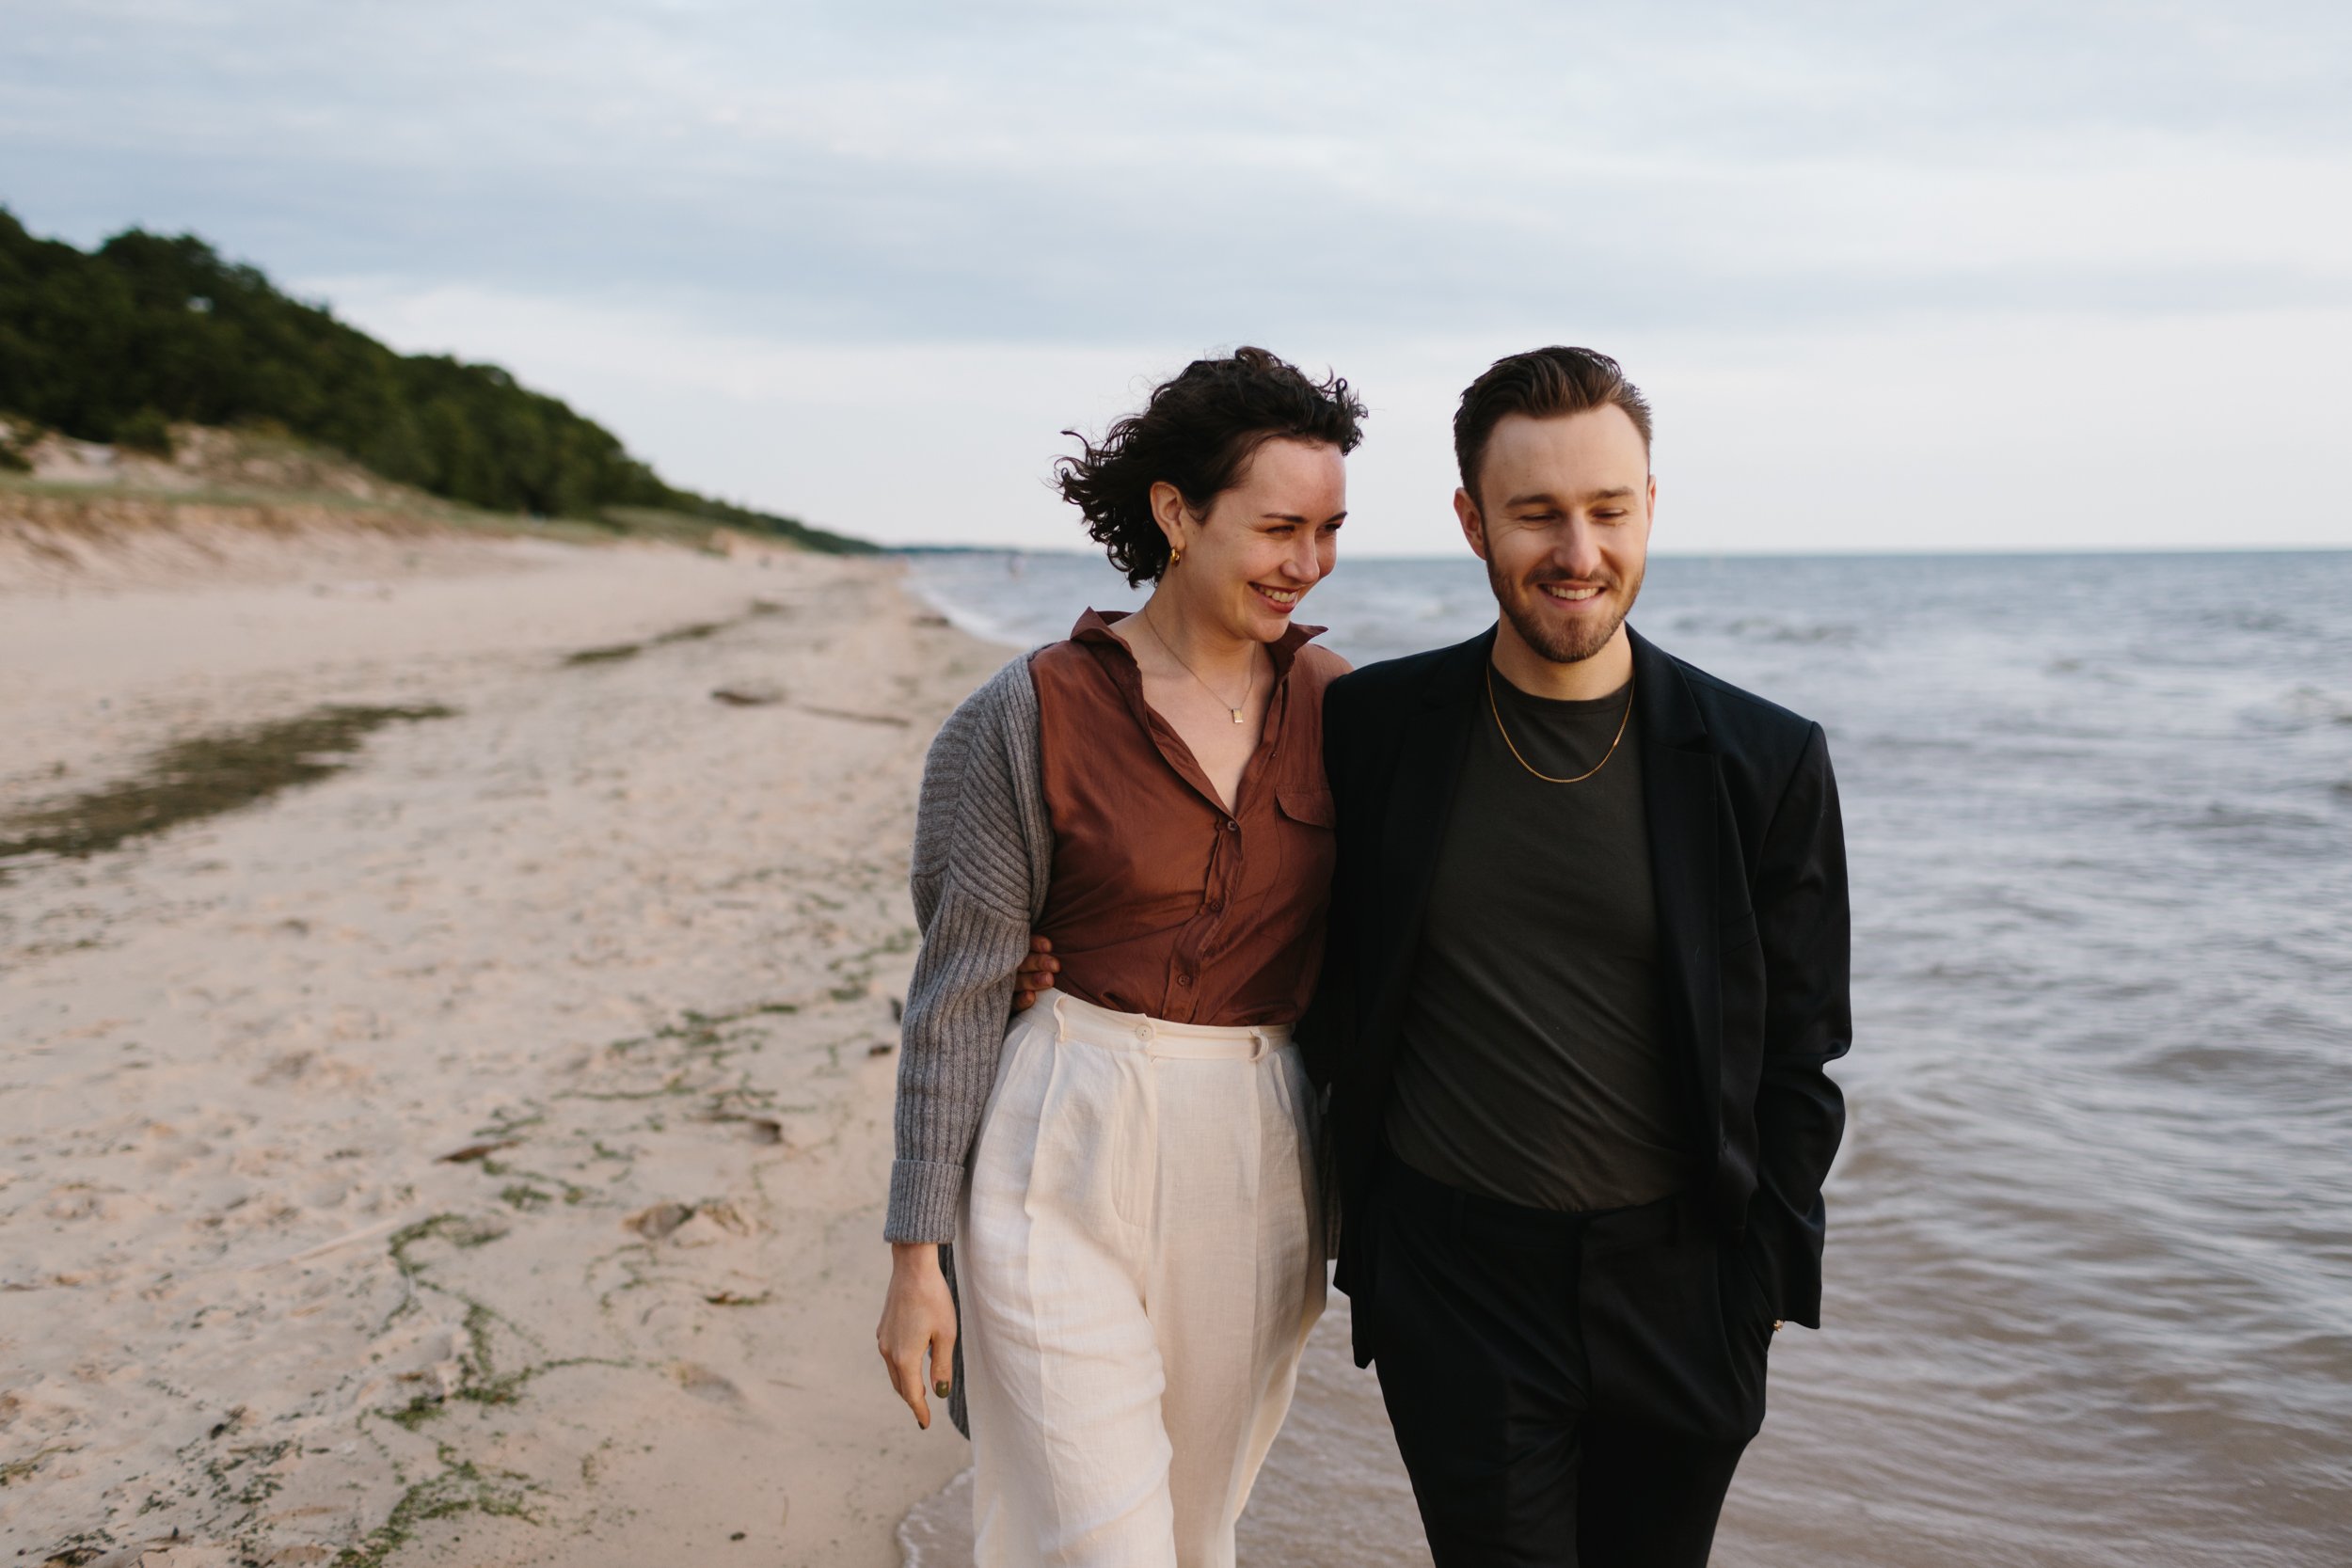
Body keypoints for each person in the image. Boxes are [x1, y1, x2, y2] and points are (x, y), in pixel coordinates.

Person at [1308, 346, 1851, 1567]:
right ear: (1471, 520)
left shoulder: (1764, 762)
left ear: (1649, 504)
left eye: (1608, 509)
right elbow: (1249, 900)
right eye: (1538, 513)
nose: (1578, 551)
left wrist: (1751, 1294)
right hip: (1457, 1289)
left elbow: (1803, 1060)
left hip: (1682, 1295)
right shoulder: (1376, 728)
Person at [876, 346, 1364, 1568]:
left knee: (1196, 1538)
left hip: (1258, 1153)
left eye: (1332, 530)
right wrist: (913, 1257)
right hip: (1060, 1137)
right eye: (1279, 527)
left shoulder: (1347, 713)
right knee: (1104, 1545)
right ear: (1176, 514)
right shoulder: (1022, 715)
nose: (1308, 564)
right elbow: (956, 998)